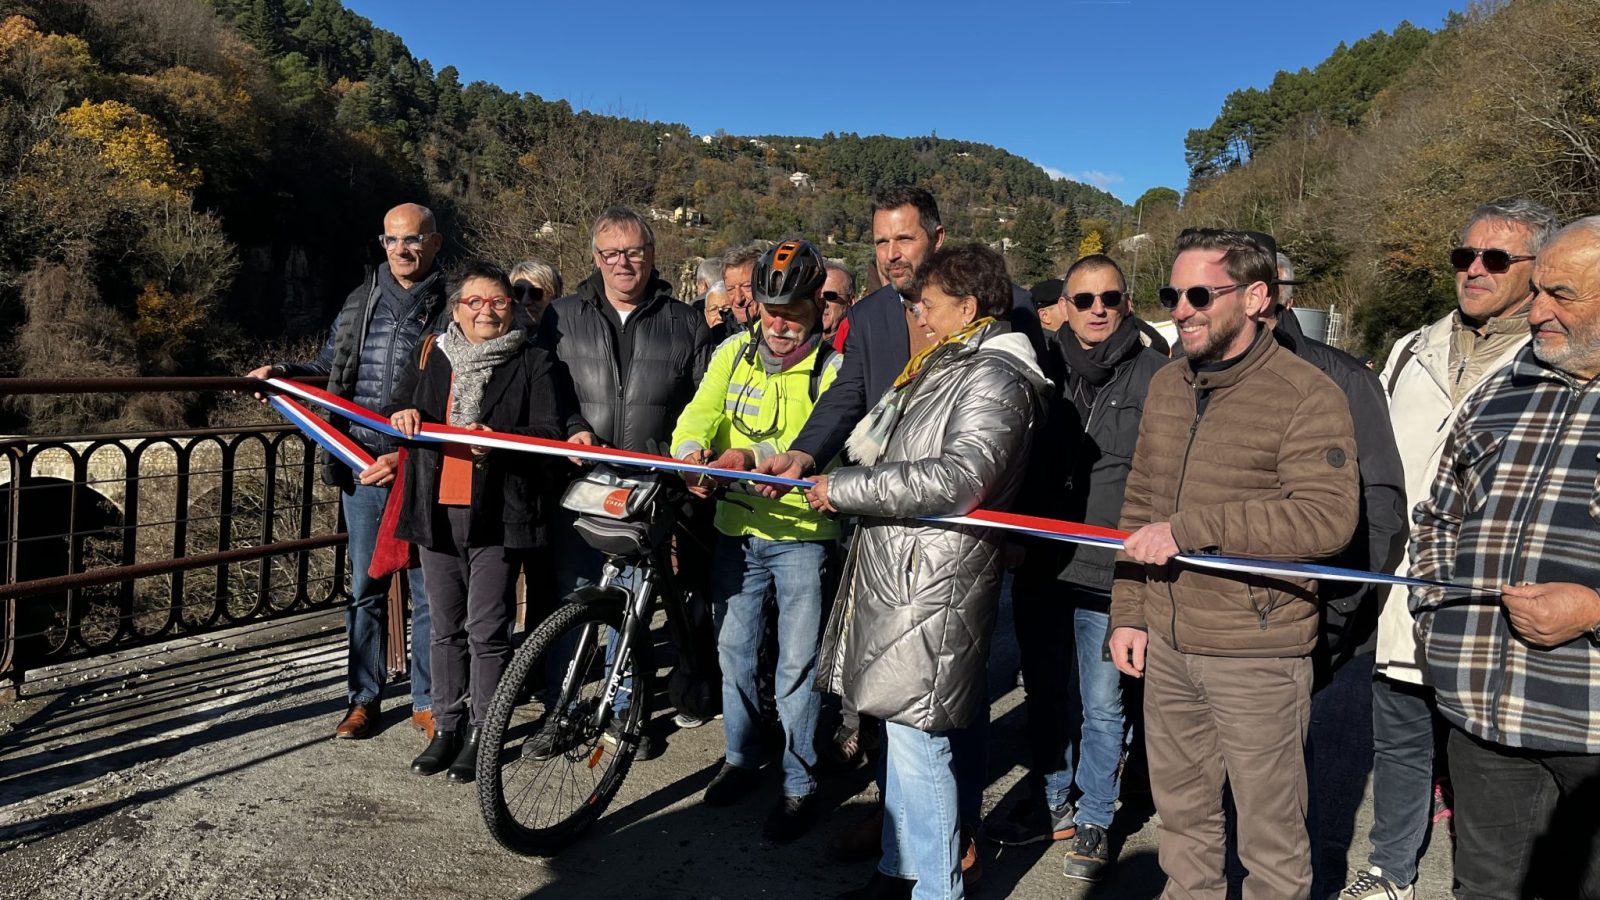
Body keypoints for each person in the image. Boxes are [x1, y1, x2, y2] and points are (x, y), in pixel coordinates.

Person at [756, 185, 1044, 877]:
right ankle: (902, 839)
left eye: (903, 240)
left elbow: (1005, 442)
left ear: (936, 239)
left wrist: (1013, 524)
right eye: (881, 242)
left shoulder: (1010, 322)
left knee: (949, 706)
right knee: (889, 702)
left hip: (952, 542)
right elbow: (847, 396)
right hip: (887, 536)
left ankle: (953, 836)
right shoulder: (875, 314)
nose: (890, 256)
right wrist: (803, 452)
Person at [1108, 228, 1359, 899]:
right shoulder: (1166, 385)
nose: (1181, 309)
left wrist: (1193, 531)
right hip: (1166, 644)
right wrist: (1129, 612)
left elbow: (1327, 519)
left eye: (1198, 294)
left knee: (1272, 841)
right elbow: (1139, 503)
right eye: (1172, 294)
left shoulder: (1309, 393)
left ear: (1255, 297)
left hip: (1258, 652)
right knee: (1184, 826)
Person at [1341, 198, 1557, 900]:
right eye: (1464, 256)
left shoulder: (1556, 358)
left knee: (1485, 756)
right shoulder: (1411, 348)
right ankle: (1390, 873)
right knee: (1399, 737)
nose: (1474, 270)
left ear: (1536, 269)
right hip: (1405, 584)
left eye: (1496, 259)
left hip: (1494, 592)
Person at [1408, 215, 1600, 900]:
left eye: (1562, 295)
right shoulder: (1502, 388)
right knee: (1484, 889)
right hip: (1483, 716)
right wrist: (1441, 632)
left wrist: (1594, 612)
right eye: (1538, 289)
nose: (1537, 309)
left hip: (1592, 725)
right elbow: (1436, 519)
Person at [990, 255, 1166, 884]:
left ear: (1126, 302)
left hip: (1108, 569)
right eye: (1083, 298)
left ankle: (1096, 813)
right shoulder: (1036, 366)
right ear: (1062, 303)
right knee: (1044, 691)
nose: (1097, 310)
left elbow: (1166, 476)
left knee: (1102, 702)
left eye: (1109, 298)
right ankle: (1053, 798)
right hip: (1040, 558)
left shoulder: (1157, 375)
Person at [248, 202, 449, 741]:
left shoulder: (454, 307)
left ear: (434, 242)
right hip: (362, 466)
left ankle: (428, 702)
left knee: (428, 588)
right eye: (391, 240)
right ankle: (363, 698)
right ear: (381, 244)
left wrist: (408, 451)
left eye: (411, 240)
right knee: (365, 586)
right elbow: (327, 366)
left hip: (420, 466)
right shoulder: (361, 301)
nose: (401, 250)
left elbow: (460, 392)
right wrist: (284, 372)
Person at [670, 239, 842, 843]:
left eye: (792, 312)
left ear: (818, 307)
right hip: (734, 532)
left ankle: (800, 783)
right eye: (770, 310)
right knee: (734, 654)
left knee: (797, 669)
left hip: (801, 537)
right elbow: (699, 413)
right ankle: (741, 758)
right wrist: (690, 452)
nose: (778, 325)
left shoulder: (835, 369)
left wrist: (756, 455)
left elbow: (825, 440)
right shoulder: (731, 354)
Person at [384, 260, 572, 783]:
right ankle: (446, 726)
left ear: (512, 310)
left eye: (499, 302)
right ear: (457, 310)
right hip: (436, 509)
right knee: (444, 628)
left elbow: (548, 433)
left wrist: (495, 438)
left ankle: (482, 732)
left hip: (500, 513)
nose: (487, 310)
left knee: (487, 628)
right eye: (476, 302)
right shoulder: (433, 356)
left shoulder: (534, 361)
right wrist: (404, 414)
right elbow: (401, 404)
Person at [538, 206, 711, 743]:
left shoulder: (685, 320)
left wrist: (689, 457)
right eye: (611, 253)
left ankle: (622, 711)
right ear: (594, 258)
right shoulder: (561, 315)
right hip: (580, 478)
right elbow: (545, 389)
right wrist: (569, 427)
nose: (623, 263)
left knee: (634, 602)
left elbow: (705, 401)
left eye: (634, 252)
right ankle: (560, 707)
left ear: (652, 255)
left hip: (649, 484)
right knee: (572, 595)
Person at [509, 258, 562, 328]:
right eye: (518, 292)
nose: (525, 301)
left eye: (536, 293)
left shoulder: (571, 336)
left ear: (555, 297)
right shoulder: (494, 335)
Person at [722, 242, 763, 327]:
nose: (738, 299)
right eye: (730, 289)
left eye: (747, 286)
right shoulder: (719, 334)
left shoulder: (778, 333)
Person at [821, 261, 855, 343]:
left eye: (829, 295)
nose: (821, 302)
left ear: (850, 301)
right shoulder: (797, 341)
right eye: (816, 296)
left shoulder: (859, 343)